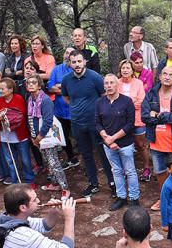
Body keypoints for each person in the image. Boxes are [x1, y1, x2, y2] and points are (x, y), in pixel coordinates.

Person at [62, 52, 113, 198]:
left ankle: (112, 183)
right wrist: (76, 108)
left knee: (103, 153)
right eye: (73, 62)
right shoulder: (66, 80)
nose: (77, 64)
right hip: (77, 123)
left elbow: (104, 96)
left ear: (84, 61)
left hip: (95, 123)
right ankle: (93, 183)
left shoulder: (95, 77)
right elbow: (66, 97)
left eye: (79, 61)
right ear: (69, 63)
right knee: (86, 154)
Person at [143, 66, 172, 210]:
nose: (167, 77)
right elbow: (144, 116)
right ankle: (164, 199)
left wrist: (156, 115)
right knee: (160, 172)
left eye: (171, 75)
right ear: (160, 76)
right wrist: (168, 115)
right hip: (157, 143)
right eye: (165, 74)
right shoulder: (151, 93)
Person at [94, 74, 140, 211]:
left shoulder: (127, 101)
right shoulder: (99, 102)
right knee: (116, 171)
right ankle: (121, 197)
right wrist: (107, 139)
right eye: (106, 83)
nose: (108, 86)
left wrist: (112, 138)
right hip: (108, 145)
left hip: (125, 144)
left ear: (117, 85)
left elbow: (130, 124)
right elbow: (97, 123)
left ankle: (134, 198)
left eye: (111, 83)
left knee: (130, 171)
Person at [25, 76, 66, 196]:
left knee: (54, 162)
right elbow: (30, 118)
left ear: (39, 85)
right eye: (29, 83)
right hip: (36, 135)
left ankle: (65, 188)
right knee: (47, 161)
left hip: (46, 136)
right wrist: (33, 136)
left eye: (34, 82)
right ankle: (54, 183)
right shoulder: (30, 99)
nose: (31, 85)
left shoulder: (45, 100)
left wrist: (40, 136)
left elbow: (48, 120)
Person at [0, 78, 35, 186]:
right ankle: (14, 180)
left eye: (2, 89)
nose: (0, 91)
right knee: (10, 160)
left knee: (25, 159)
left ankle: (29, 180)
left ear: (11, 89)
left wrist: (7, 117)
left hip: (20, 135)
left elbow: (22, 116)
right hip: (5, 136)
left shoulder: (19, 99)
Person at [46, 48, 80, 170]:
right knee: (63, 137)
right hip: (60, 110)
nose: (68, 55)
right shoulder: (57, 69)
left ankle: (87, 161)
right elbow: (50, 87)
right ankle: (71, 158)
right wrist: (66, 90)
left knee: (80, 136)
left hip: (76, 110)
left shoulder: (78, 69)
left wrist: (60, 86)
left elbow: (79, 88)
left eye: (71, 54)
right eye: (66, 53)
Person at [117, 58, 150, 181]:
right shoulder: (117, 83)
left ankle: (146, 168)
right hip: (121, 121)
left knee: (141, 145)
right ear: (120, 70)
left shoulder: (138, 83)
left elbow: (141, 101)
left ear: (132, 70)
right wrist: (130, 103)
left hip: (137, 119)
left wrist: (125, 105)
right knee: (125, 145)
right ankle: (127, 168)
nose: (125, 70)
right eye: (123, 68)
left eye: (128, 68)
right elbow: (115, 102)